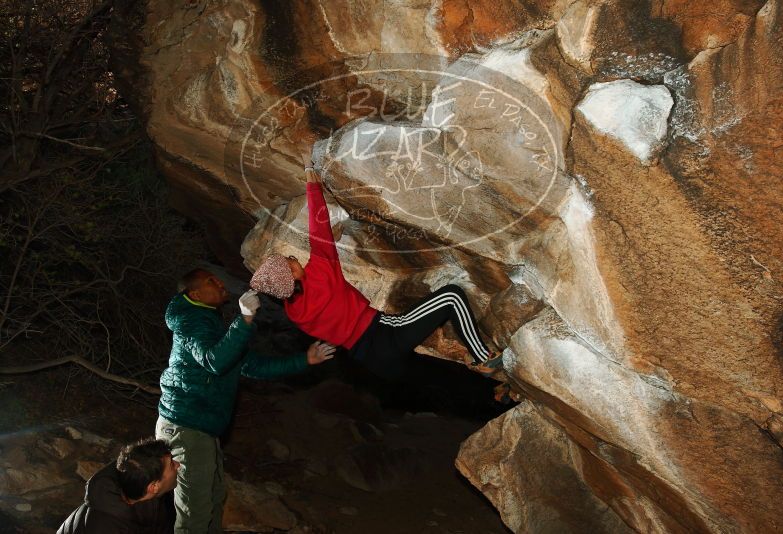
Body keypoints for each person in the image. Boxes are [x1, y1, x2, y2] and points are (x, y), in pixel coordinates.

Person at [250, 146, 504, 381]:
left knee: (437, 363)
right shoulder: (320, 273)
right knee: (452, 298)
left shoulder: (295, 313)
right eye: (290, 262)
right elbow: (319, 225)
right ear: (290, 277)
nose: (295, 259)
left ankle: (499, 384)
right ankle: (483, 359)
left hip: (372, 363)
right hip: (384, 335)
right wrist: (309, 172)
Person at [155, 268, 335, 533]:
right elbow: (214, 362)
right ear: (195, 293)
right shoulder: (191, 320)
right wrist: (245, 319)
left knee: (213, 500)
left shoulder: (208, 320)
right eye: (210, 281)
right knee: (195, 511)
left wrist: (304, 360)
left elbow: (249, 365)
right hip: (186, 426)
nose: (219, 282)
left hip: (200, 426)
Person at [57, 437, 178, 534]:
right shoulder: (106, 527)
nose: (178, 465)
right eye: (172, 465)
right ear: (153, 487)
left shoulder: (137, 478)